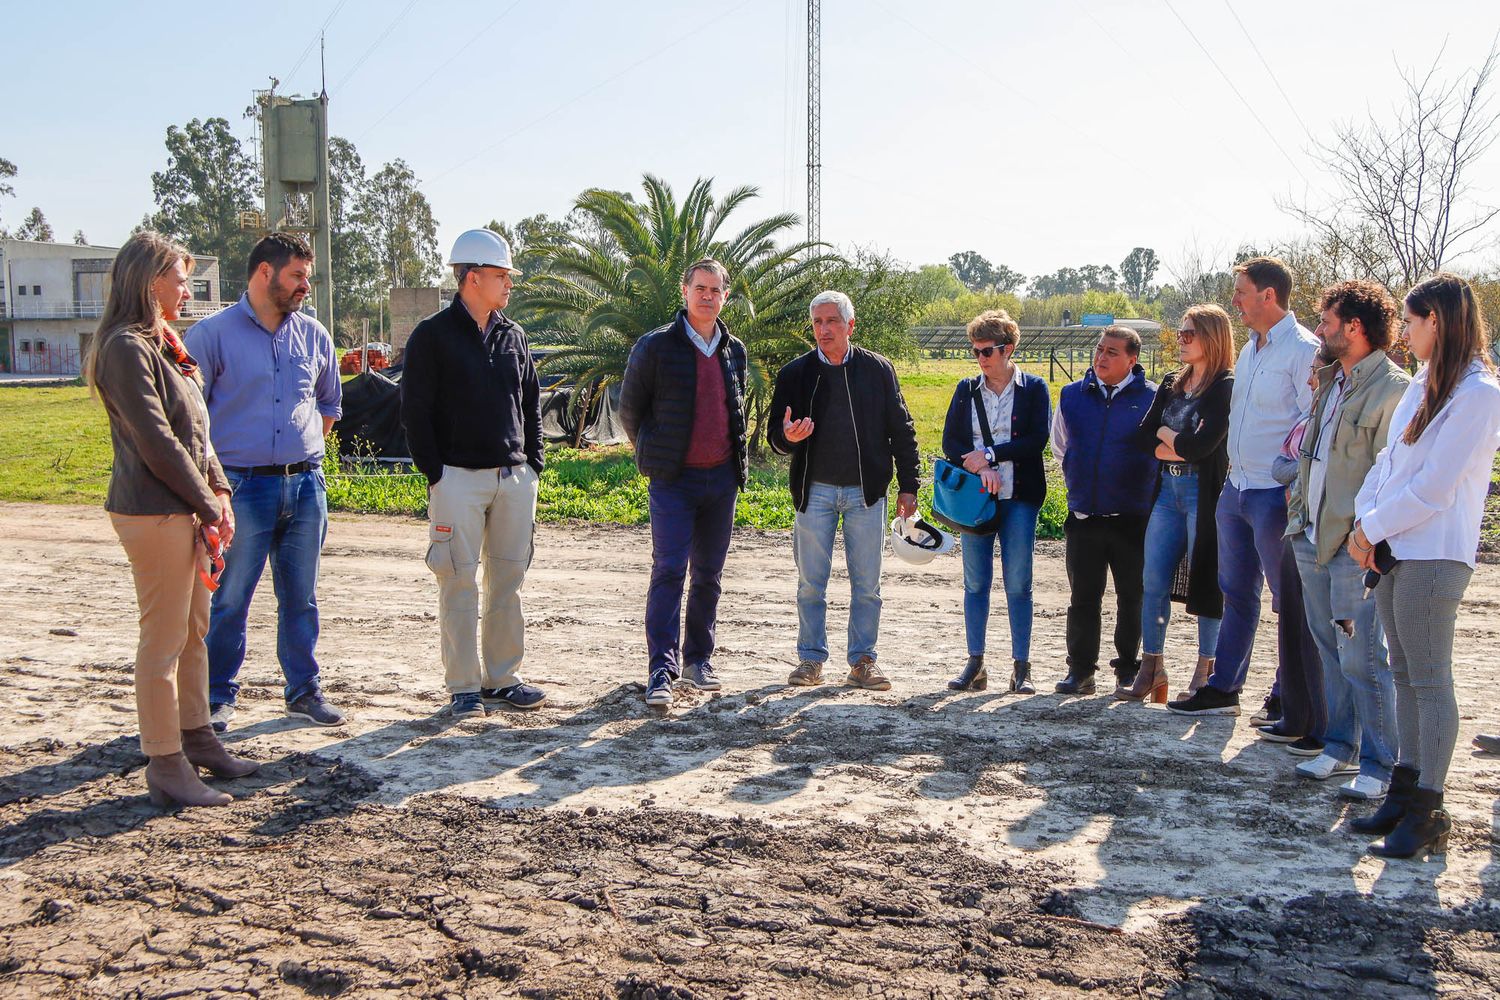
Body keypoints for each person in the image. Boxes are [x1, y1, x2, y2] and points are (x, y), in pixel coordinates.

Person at [86, 231, 258, 808]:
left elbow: (197, 432)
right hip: (153, 512)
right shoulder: (125, 347)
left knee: (193, 633)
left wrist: (220, 491)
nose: (188, 290)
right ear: (150, 280)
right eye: (181, 279)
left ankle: (197, 737)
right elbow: (158, 443)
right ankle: (164, 762)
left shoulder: (164, 345)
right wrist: (209, 504)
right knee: (162, 641)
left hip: (184, 507)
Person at [1347, 273, 1500, 859]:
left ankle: (1428, 809)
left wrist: (1370, 528)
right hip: (1394, 549)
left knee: (1430, 678)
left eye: (1411, 322)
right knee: (1405, 672)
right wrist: (1365, 521)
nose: (1405, 333)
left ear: (1437, 320)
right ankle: (1404, 788)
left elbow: (1436, 488)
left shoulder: (1479, 394)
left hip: (1435, 551)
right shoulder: (1423, 382)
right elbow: (1389, 462)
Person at [186, 233, 345, 731]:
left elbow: (329, 405)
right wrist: (214, 488)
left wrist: (301, 456)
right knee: (231, 597)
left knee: (301, 596)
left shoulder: (315, 335)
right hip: (239, 489)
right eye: (297, 276)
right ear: (263, 273)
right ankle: (215, 697)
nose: (305, 286)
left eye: (307, 277)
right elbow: (191, 418)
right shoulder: (212, 336)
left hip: (304, 488)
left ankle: (303, 689)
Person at [401, 229, 548, 719]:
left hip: (512, 479)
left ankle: (502, 679)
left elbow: (531, 404)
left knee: (508, 580)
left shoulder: (514, 336)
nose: (510, 285)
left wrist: (532, 465)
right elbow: (415, 412)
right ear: (472, 278)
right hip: (456, 480)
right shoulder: (431, 336)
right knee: (458, 580)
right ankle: (463, 686)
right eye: (502, 276)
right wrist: (436, 473)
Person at [1170, 257, 1319, 716]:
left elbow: (1312, 424)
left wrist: (1294, 487)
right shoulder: (1252, 349)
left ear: (1267, 295)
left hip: (1276, 494)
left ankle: (1287, 692)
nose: (1234, 300)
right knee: (1236, 593)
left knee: (1289, 599)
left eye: (1240, 291)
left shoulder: (1303, 349)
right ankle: (1225, 688)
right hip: (1235, 490)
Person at [1284, 281, 1410, 801]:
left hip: (1353, 546)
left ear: (1354, 327)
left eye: (1327, 322)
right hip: (1311, 536)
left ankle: (1381, 765)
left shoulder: (1394, 391)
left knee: (1363, 657)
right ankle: (1340, 748)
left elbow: (1392, 474)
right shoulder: (1331, 382)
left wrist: (1367, 537)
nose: (1319, 330)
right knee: (1330, 648)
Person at [768, 290, 921, 690]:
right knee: (810, 583)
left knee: (867, 585)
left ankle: (863, 661)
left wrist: (909, 487)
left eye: (831, 321)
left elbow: (901, 430)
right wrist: (788, 437)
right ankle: (810, 660)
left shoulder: (877, 370)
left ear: (850, 326)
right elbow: (775, 439)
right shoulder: (794, 374)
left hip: (865, 493)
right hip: (813, 491)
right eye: (817, 322)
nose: (823, 330)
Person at [620, 258, 749, 708]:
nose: (708, 296)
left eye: (716, 290)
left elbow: (735, 409)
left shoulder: (735, 350)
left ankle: (699, 660)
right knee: (670, 569)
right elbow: (630, 411)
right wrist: (657, 452)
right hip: (673, 481)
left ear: (725, 296)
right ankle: (661, 667)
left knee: (709, 575)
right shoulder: (655, 347)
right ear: (684, 291)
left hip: (722, 481)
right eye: (700, 288)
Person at [1126, 305, 1233, 702]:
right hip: (1168, 493)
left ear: (1212, 337)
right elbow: (1143, 437)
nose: (1181, 340)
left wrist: (1167, 438)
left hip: (1202, 493)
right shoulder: (1173, 381)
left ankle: (1206, 671)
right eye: (1180, 332)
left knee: (1207, 581)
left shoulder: (1225, 386)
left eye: (1189, 334)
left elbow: (1204, 448)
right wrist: (1177, 444)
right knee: (1151, 580)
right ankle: (1152, 667)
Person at [941, 310, 1051, 694]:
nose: (982, 359)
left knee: (1019, 583)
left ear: (1009, 348)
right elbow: (951, 443)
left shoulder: (1034, 388)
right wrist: (975, 467)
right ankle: (976, 663)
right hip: (976, 500)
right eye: (976, 352)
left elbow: (1036, 441)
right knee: (975, 583)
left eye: (988, 351)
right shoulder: (965, 390)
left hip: (1019, 496)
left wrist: (990, 456)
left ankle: (1022, 666)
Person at [1049, 326, 1158, 695]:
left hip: (1133, 518)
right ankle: (1080, 671)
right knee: (1083, 597)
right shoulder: (1072, 396)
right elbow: (1061, 448)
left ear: (1132, 359)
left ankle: (1128, 669)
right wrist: (1081, 485)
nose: (1102, 357)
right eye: (1099, 349)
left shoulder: (1154, 399)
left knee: (1133, 597)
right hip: (1085, 517)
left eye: (1112, 352)